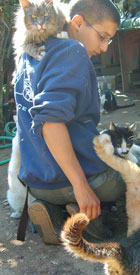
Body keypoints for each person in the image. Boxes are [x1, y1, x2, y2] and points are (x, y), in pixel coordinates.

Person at [14, 0, 131, 244]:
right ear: (77, 23)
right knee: (137, 166)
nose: (104, 47)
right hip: (80, 180)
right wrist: (81, 186)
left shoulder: (29, 54)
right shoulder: (71, 51)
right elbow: (51, 122)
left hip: (37, 181)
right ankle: (88, 215)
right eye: (103, 36)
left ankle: (54, 210)